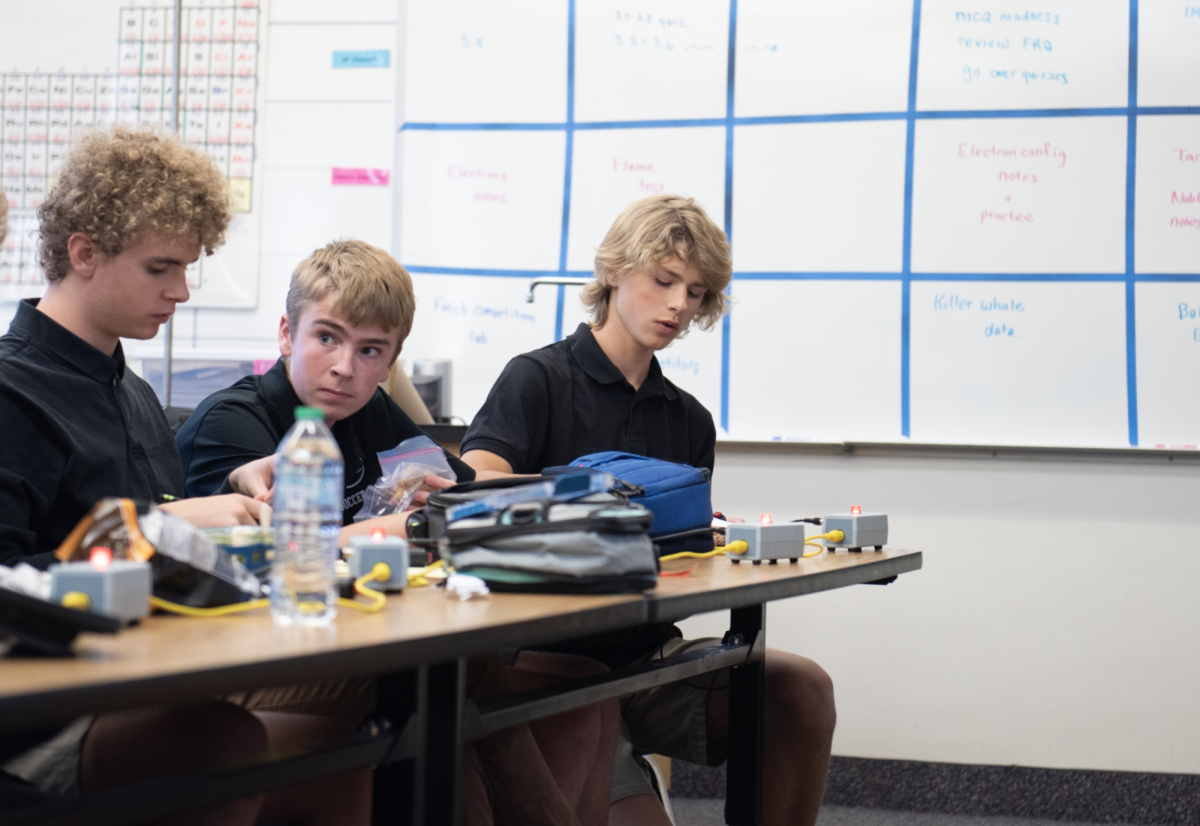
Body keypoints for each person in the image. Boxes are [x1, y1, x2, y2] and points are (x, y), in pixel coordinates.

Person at [177, 238, 620, 826]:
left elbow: (468, 494)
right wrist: (413, 522)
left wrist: (582, 491)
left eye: (370, 352)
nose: (344, 367)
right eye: (326, 338)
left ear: (390, 365)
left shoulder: (371, 412)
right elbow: (277, 553)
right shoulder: (234, 422)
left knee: (519, 680)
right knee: (455, 678)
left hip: (354, 643)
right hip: (246, 662)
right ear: (287, 334)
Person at [0, 126, 365, 825]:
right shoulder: (12, 393)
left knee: (358, 738)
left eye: (188, 267)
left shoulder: (128, 390)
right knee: (223, 742)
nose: (183, 291)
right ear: (84, 253)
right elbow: (9, 583)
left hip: (159, 669)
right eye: (161, 268)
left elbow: (158, 541)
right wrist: (154, 527)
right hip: (46, 715)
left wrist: (226, 494)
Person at [460, 194, 838, 826]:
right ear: (613, 272)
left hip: (648, 661)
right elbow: (477, 489)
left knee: (800, 690)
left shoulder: (687, 418)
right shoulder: (537, 380)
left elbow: (685, 557)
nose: (679, 306)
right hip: (551, 664)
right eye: (664, 281)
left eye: (694, 292)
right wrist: (587, 502)